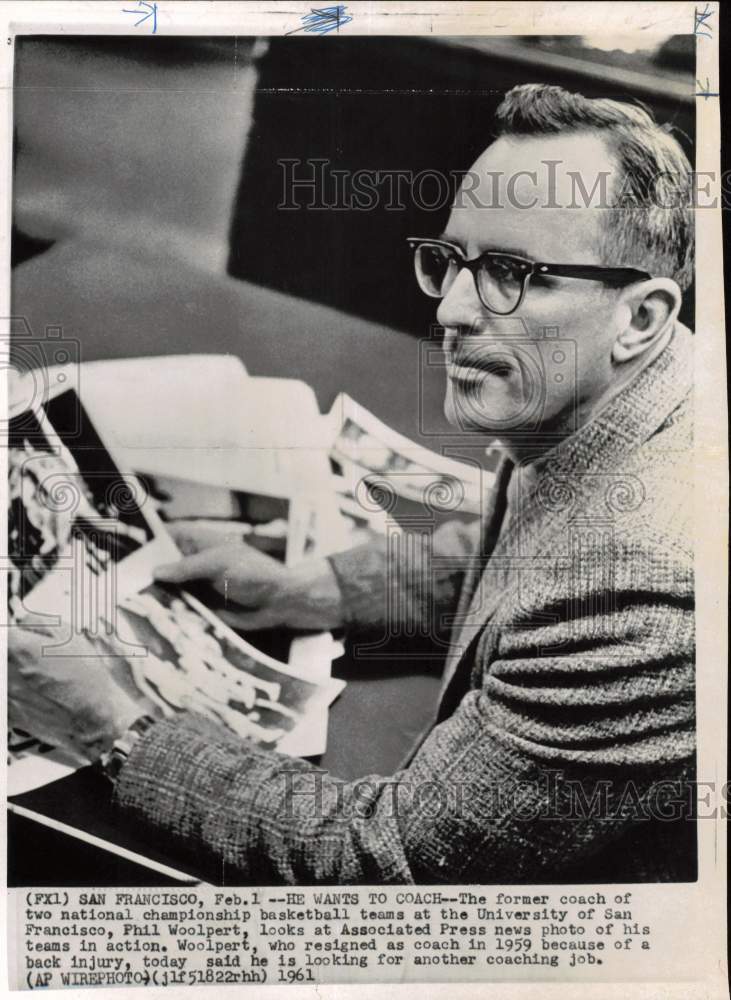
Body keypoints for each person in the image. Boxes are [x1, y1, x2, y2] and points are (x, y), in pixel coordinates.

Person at [8, 84, 696, 883]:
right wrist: (323, 586)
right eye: (452, 261)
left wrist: (111, 726)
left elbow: (391, 859)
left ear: (642, 316)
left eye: (511, 272)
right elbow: (522, 547)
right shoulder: (628, 383)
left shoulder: (641, 586)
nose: (453, 310)